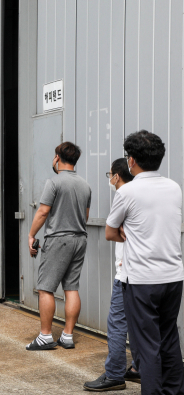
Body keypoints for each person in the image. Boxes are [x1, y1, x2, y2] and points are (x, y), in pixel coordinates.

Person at [106, 131, 184, 394]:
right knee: (169, 338)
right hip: (173, 277)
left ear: (131, 161)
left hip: (141, 281)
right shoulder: (174, 187)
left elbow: (109, 231)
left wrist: (126, 233)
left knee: (146, 346)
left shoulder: (128, 191)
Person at [26, 142, 91, 351]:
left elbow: (43, 212)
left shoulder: (53, 182)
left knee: (45, 288)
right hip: (80, 239)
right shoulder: (84, 185)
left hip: (59, 239)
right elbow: (86, 216)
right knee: (71, 287)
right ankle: (67, 336)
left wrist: (31, 234)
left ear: (57, 158)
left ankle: (45, 336)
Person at [84, 159, 139, 391]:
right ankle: (139, 367)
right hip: (149, 273)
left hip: (126, 272)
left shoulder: (124, 193)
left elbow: (110, 232)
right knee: (140, 323)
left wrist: (121, 233)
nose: (110, 179)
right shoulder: (147, 192)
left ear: (117, 176)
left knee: (117, 323)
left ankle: (115, 374)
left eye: (110, 174)